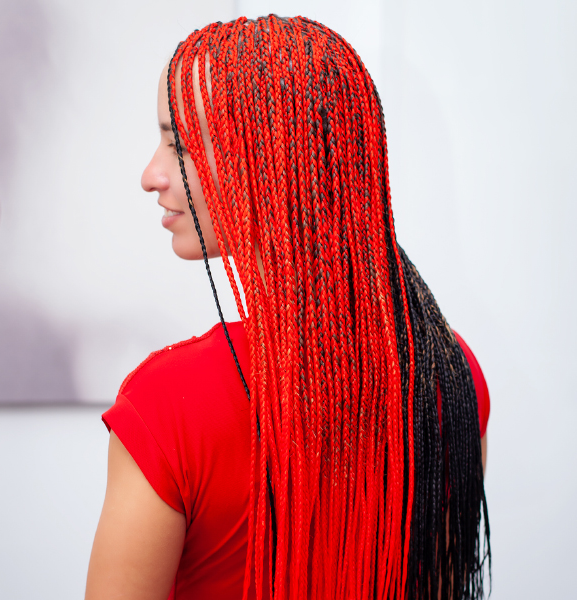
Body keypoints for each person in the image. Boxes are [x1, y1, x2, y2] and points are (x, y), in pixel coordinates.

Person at [85, 15, 490, 600]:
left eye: (181, 145)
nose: (152, 175)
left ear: (272, 160)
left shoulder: (167, 403)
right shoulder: (451, 371)